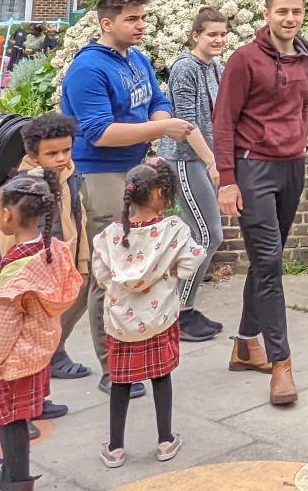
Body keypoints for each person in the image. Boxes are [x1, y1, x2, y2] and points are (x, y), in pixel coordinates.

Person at [63, 0, 190, 397]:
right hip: (98, 174)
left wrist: (159, 120)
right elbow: (99, 133)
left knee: (90, 276)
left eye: (142, 18)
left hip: (133, 169)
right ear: (107, 23)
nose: (141, 26)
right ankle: (113, 368)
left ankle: (47, 350)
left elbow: (157, 98)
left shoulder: (136, 59)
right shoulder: (88, 68)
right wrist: (161, 129)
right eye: (132, 19)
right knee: (112, 272)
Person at [213, 0, 308, 406]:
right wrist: (227, 179)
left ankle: (243, 345)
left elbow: (303, 106)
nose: (289, 19)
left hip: (292, 166)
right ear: (267, 14)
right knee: (271, 264)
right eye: (281, 12)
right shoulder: (244, 59)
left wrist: (301, 138)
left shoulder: (307, 56)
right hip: (253, 168)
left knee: (264, 259)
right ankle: (281, 365)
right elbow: (223, 121)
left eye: (296, 12)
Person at [0, 169, 82, 491]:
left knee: (10, 421)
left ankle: (17, 480)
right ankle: (11, 472)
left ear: (6, 214)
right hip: (38, 350)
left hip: (11, 361)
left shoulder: (17, 274)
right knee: (19, 417)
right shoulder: (54, 251)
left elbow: (2, 330)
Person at [92, 159, 204, 469]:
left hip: (120, 324)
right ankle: (165, 440)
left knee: (121, 383)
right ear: (158, 194)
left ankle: (115, 448)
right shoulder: (174, 231)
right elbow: (189, 263)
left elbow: (102, 277)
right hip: (159, 320)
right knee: (161, 377)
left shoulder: (108, 236)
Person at [11, 114, 93, 402]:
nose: (61, 158)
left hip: (65, 260)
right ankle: (30, 401)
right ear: (33, 154)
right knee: (33, 335)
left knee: (54, 324)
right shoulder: (25, 187)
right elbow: (12, 236)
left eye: (66, 150)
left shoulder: (70, 175)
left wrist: (82, 262)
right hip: (36, 271)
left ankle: (49, 369)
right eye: (52, 153)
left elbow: (78, 219)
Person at [161, 8, 227, 342]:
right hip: (185, 160)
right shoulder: (184, 68)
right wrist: (213, 163)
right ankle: (179, 314)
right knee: (207, 234)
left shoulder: (217, 68)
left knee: (195, 235)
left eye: (222, 34)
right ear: (195, 35)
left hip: (205, 159)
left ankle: (181, 307)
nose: (218, 40)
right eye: (211, 34)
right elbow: (187, 124)